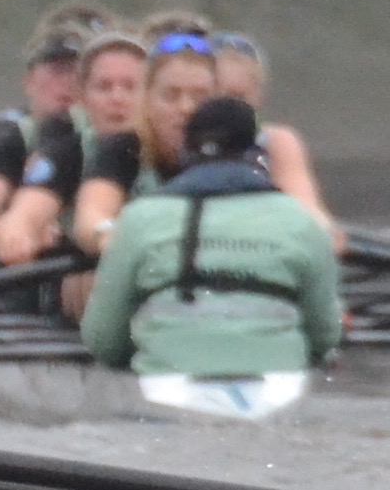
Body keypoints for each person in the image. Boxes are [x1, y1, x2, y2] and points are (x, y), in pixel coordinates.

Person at [80, 95, 343, 378]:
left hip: (164, 383)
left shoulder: (138, 221)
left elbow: (103, 339)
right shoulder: (301, 222)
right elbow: (326, 335)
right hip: (280, 384)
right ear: (258, 156)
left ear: (186, 152)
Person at [64, 29, 225, 258]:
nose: (186, 108)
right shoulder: (124, 148)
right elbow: (92, 213)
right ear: (147, 99)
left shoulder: (237, 151)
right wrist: (107, 236)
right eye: (171, 96)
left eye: (199, 97)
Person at [0, 29, 143, 266]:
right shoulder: (67, 150)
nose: (117, 98)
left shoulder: (173, 149)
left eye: (130, 86)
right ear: (82, 98)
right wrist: (19, 232)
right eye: (104, 87)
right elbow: (23, 214)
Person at [0, 3, 101, 245]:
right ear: (29, 82)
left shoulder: (116, 140)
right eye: (59, 69)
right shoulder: (15, 133)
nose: (70, 82)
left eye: (81, 72)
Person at [210, 31, 338, 237]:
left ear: (258, 98)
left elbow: (305, 206)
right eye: (214, 96)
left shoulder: (276, 142)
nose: (226, 108)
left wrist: (322, 229)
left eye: (238, 97)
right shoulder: (179, 141)